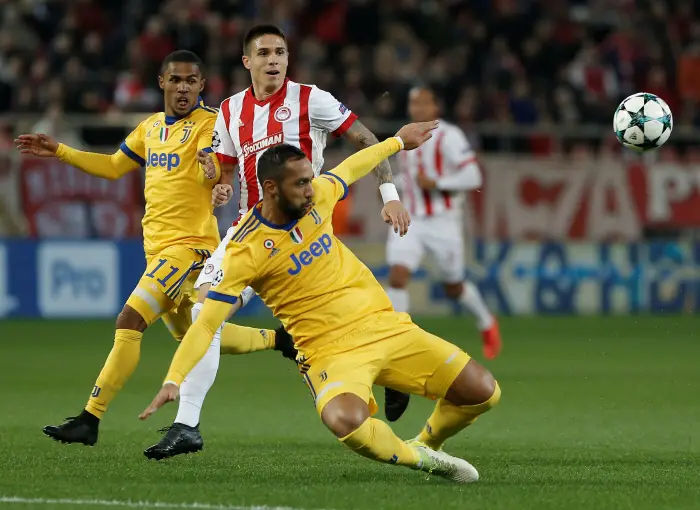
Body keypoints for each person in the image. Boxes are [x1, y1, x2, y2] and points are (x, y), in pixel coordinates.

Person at [139, 121, 502, 484]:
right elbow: (205, 324)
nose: (310, 190)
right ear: (270, 188)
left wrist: (396, 142)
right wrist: (174, 379)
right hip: (328, 352)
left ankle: (428, 442)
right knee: (346, 422)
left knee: (483, 393)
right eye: (299, 184)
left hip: (386, 326)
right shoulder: (242, 251)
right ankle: (423, 461)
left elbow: (352, 167)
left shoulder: (320, 195)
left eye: (309, 180)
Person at [144, 24, 413, 459]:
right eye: (265, 53)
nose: (274, 60)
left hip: (304, 233)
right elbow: (227, 168)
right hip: (250, 235)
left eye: (281, 52)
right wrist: (221, 186)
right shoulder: (230, 111)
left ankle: (392, 375)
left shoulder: (312, 99)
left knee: (333, 327)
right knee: (202, 311)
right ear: (247, 61)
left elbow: (366, 139)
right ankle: (187, 424)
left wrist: (390, 195)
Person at [16, 50, 280, 446]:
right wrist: (59, 151)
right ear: (162, 83)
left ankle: (90, 419)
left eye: (192, 80)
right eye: (176, 80)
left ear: (202, 86)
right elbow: (112, 168)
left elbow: (217, 162)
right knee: (197, 336)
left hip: (189, 248)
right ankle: (282, 341)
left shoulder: (210, 123)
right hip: (157, 250)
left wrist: (217, 176)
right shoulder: (150, 128)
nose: (184, 87)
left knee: (129, 320)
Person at [383, 86, 503, 416]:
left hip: (443, 224)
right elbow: (401, 176)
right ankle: (397, 339)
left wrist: (437, 183)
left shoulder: (449, 136)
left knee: (453, 286)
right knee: (398, 275)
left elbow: (473, 174)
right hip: (412, 219)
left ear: (436, 105)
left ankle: (486, 322)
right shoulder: (405, 137)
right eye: (411, 102)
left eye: (423, 101)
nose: (416, 106)